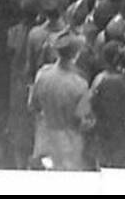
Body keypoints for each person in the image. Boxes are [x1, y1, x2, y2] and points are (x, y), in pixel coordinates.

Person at [29, 31, 92, 170]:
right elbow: (82, 121)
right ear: (76, 55)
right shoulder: (80, 84)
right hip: (69, 146)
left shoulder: (42, 75)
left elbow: (33, 106)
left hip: (45, 141)